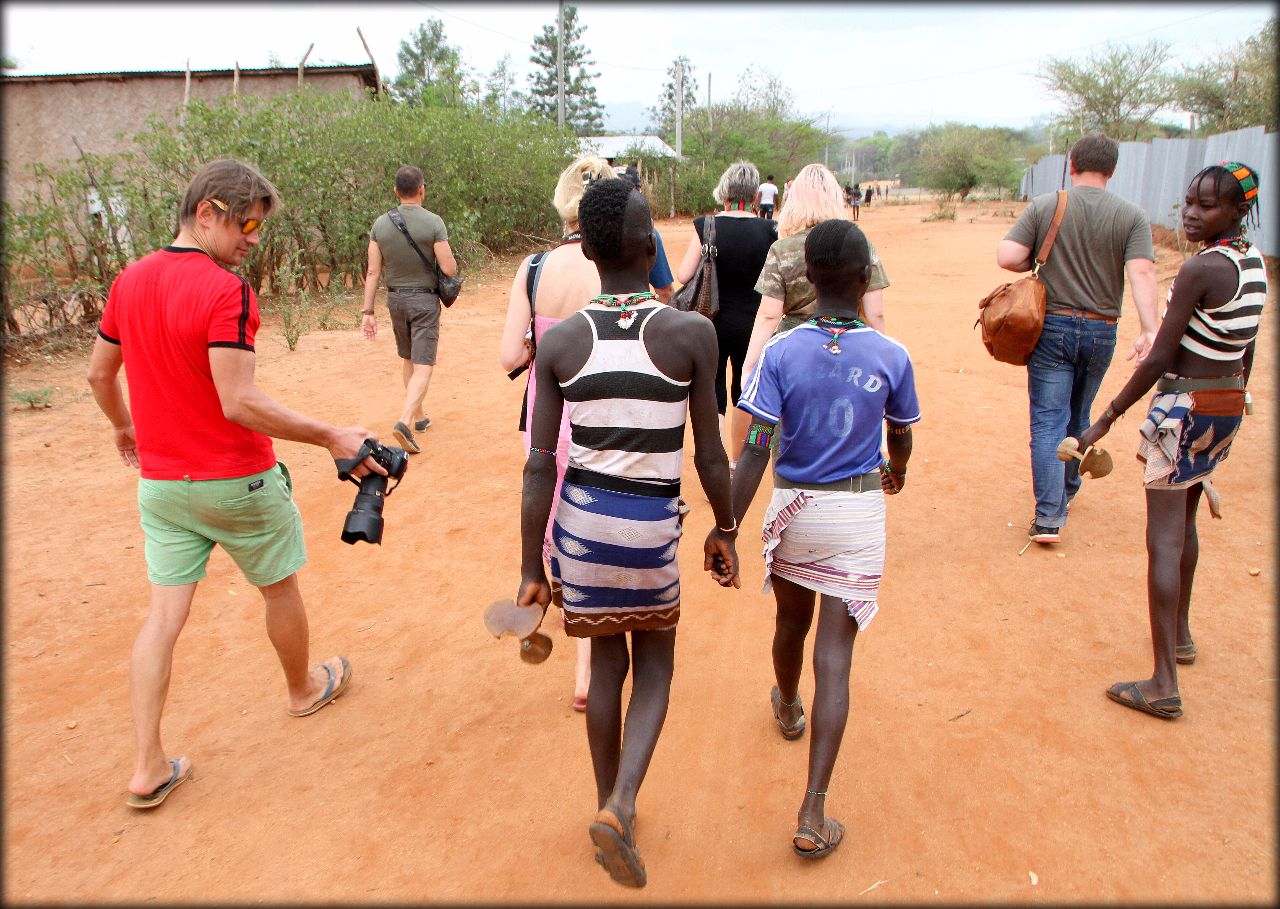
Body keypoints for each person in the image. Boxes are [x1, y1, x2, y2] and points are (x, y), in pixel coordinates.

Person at [86, 159, 385, 809]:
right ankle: (303, 689)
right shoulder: (225, 292)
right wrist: (333, 435)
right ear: (207, 213)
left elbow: (98, 375)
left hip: (163, 485)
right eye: (247, 223)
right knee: (279, 584)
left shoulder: (129, 281)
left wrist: (122, 428)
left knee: (163, 617)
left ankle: (146, 765)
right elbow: (238, 401)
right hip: (237, 481)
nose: (253, 238)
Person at [516, 177, 738, 888]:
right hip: (648, 529)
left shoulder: (563, 342)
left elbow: (538, 466)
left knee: (606, 666)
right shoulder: (689, 333)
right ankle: (622, 802)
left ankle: (608, 801)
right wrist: (725, 526)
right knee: (658, 664)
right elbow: (709, 452)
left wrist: (531, 565)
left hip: (580, 530)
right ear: (649, 248)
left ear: (584, 247)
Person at [716, 218, 919, 859]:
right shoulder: (890, 354)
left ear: (806, 275)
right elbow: (902, 434)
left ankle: (785, 703)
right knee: (837, 655)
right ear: (865, 281)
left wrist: (727, 526)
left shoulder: (782, 352)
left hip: (794, 510)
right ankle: (813, 810)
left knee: (789, 624)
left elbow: (754, 447)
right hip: (856, 512)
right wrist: (898, 470)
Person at [1074, 162, 1265, 720]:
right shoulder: (1251, 263)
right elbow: (1245, 347)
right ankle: (1179, 634)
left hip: (1182, 410)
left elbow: (1159, 354)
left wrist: (1105, 418)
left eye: (1207, 205)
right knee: (1185, 522)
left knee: (1164, 539)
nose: (1190, 212)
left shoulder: (1202, 268)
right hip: (1224, 405)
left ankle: (1163, 683)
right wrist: (1236, 399)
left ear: (1237, 211)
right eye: (1188, 201)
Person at [996, 133, 1158, 544]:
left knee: (1047, 421)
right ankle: (1067, 490)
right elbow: (1141, 273)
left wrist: (1042, 254)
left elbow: (1008, 257)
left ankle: (1049, 518)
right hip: (1103, 330)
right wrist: (1149, 329)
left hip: (1052, 327)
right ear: (1112, 170)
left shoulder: (1049, 205)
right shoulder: (1131, 215)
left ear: (1072, 165)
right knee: (1079, 415)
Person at [499, 155, 617, 712]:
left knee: (553, 511)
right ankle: (588, 667)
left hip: (548, 410)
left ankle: (546, 605)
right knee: (599, 514)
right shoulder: (612, 266)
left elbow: (507, 358)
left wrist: (534, 343)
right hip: (605, 409)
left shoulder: (534, 268)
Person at [736, 163, 891, 455]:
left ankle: (790, 490)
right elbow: (875, 313)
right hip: (849, 345)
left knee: (788, 428)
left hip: (794, 347)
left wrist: (749, 367)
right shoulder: (861, 244)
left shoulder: (781, 250)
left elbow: (769, 314)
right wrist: (882, 357)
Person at [675, 161, 778, 473]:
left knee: (714, 387)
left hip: (711, 321)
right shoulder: (770, 230)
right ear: (756, 194)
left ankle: (719, 465)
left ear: (725, 191)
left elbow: (683, 275)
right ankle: (738, 462)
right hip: (755, 323)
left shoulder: (706, 225)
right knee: (745, 389)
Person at [361, 165, 459, 455]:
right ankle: (404, 420)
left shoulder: (380, 224)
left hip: (395, 300)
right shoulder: (433, 223)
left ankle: (419, 416)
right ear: (421, 189)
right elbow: (449, 268)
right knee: (424, 363)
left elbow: (372, 272)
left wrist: (368, 311)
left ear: (395, 191)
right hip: (424, 301)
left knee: (408, 358)